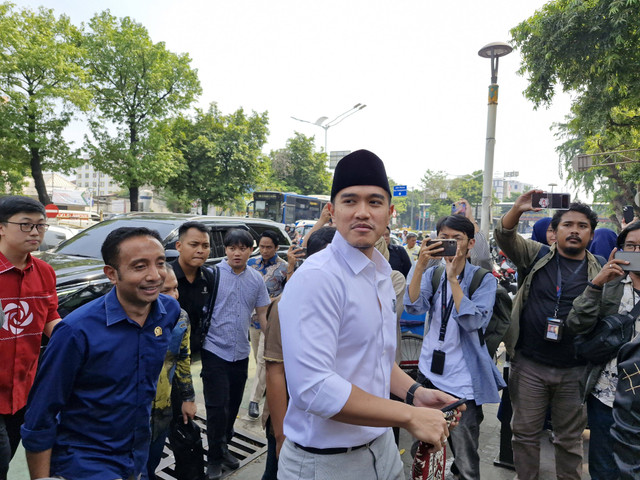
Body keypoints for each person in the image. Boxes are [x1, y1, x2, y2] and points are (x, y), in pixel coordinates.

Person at [278, 149, 460, 480]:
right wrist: (407, 416)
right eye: (350, 201)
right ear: (332, 212)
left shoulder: (378, 274)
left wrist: (415, 393)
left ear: (389, 212)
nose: (362, 212)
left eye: (374, 202)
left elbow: (374, 358)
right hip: (326, 463)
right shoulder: (318, 278)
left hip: (382, 450)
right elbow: (313, 388)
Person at [21, 227, 180, 480]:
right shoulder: (75, 331)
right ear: (111, 274)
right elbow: (41, 415)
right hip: (85, 463)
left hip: (137, 458)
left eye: (160, 263)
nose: (155, 275)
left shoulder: (168, 311)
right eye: (139, 266)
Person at [494, 191, 602, 480]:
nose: (575, 231)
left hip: (575, 369)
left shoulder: (599, 267)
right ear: (555, 232)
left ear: (590, 234)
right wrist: (517, 209)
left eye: (582, 226)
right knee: (525, 434)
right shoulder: (537, 255)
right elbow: (505, 237)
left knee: (569, 439)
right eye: (568, 224)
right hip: (530, 365)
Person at [405, 214, 505, 480]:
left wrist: (453, 279)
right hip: (428, 373)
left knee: (465, 453)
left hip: (463, 382)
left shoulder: (483, 280)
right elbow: (413, 305)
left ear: (470, 243)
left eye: (456, 239)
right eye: (444, 238)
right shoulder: (432, 273)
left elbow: (474, 322)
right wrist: (419, 266)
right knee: (422, 446)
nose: (449, 244)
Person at [262, 226, 337, 480]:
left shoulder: (343, 298)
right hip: (289, 418)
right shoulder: (287, 303)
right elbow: (275, 371)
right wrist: (282, 435)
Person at [567, 221, 640, 480]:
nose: (636, 251)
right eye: (630, 246)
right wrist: (597, 283)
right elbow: (576, 323)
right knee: (604, 469)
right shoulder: (610, 286)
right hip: (609, 398)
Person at [201, 229, 270, 480]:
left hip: (240, 353)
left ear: (250, 250)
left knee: (231, 407)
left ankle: (223, 447)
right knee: (216, 407)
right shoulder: (213, 274)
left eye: (242, 248)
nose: (237, 253)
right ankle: (214, 460)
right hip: (213, 350)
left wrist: (271, 344)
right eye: (232, 248)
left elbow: (263, 314)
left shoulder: (256, 279)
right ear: (226, 250)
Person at [0, 196, 60, 480]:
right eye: (26, 225)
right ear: (1, 227)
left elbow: (51, 318)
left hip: (25, 390)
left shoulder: (45, 273)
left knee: (10, 454)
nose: (35, 233)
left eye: (40, 226)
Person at [145, 263, 196, 480]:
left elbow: (183, 358)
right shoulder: (137, 318)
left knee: (153, 458)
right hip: (132, 410)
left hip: (163, 406)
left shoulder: (181, 318)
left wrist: (188, 397)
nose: (173, 296)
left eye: (175, 288)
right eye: (165, 291)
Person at [246, 231, 289, 420]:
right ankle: (263, 387)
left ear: (276, 248)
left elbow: (287, 296)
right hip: (251, 321)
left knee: (264, 360)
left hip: (271, 322)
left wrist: (269, 301)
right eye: (261, 246)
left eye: (268, 247)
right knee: (258, 357)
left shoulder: (284, 269)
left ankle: (254, 400)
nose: (264, 250)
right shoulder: (250, 264)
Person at [171, 221, 213, 356]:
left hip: (197, 351)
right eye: (194, 245)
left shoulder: (209, 277)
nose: (200, 250)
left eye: (205, 246)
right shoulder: (165, 277)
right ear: (179, 246)